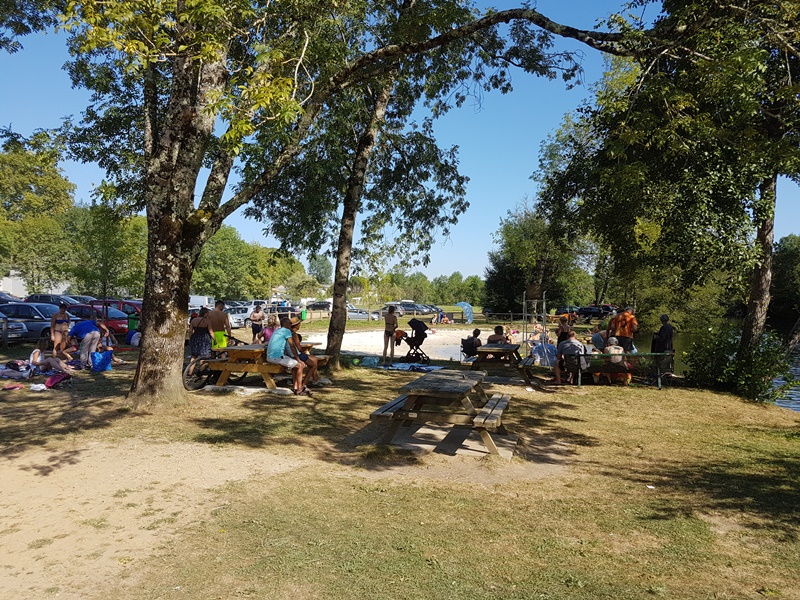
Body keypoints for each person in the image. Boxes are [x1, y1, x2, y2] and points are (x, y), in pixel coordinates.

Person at [266, 317, 307, 395]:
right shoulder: (287, 331)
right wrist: (298, 359)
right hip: (277, 357)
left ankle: (295, 387)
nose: (291, 325)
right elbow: (292, 346)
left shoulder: (277, 330)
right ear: (285, 324)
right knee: (300, 365)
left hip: (271, 356)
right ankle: (299, 389)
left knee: (296, 365)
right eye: (289, 323)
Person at [287, 317, 321, 387]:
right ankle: (304, 383)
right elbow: (299, 348)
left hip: (290, 354)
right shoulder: (294, 335)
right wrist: (303, 351)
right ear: (296, 325)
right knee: (314, 365)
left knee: (314, 359)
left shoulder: (288, 333)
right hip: (296, 355)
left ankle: (315, 379)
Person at [186, 307, 214, 375]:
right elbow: (211, 332)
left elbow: (190, 331)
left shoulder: (194, 320)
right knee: (203, 357)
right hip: (205, 339)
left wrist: (191, 338)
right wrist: (214, 340)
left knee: (194, 356)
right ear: (205, 313)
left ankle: (190, 372)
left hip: (195, 338)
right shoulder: (207, 321)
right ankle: (201, 372)